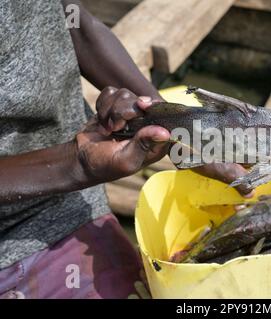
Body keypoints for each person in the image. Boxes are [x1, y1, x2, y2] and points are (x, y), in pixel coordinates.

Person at [0, 0, 253, 299]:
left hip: (69, 204)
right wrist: (77, 164)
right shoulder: (78, 165)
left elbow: (74, 23)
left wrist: (175, 123)